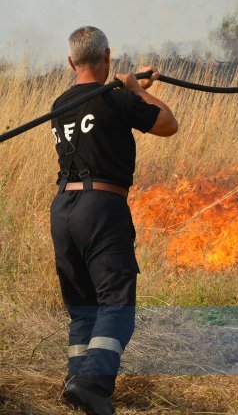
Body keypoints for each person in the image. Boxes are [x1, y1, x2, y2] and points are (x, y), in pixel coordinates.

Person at [50, 26, 178, 415]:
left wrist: (123, 87)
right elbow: (168, 123)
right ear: (107, 56)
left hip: (62, 211)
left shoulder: (59, 104)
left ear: (72, 62)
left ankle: (76, 382)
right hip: (102, 209)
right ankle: (93, 384)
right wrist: (135, 89)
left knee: (83, 307)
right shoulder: (117, 99)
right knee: (116, 307)